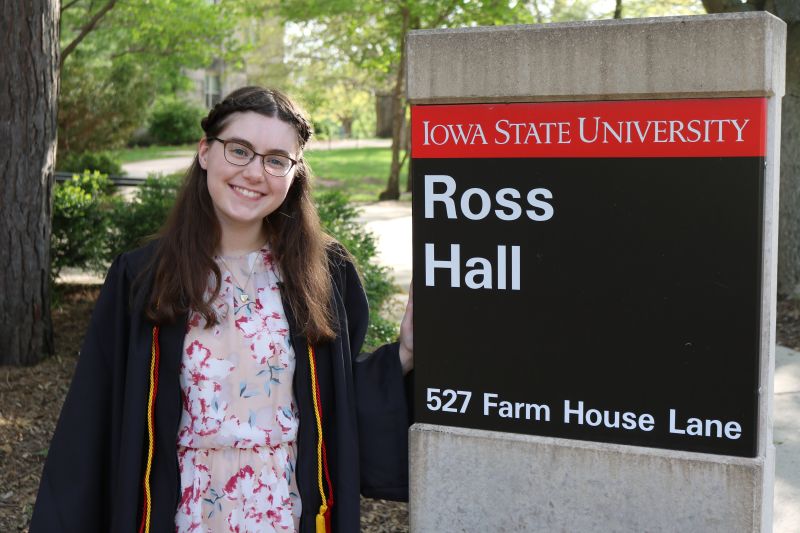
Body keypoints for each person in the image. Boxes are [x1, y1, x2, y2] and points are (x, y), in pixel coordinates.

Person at [31, 86, 414, 533]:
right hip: (182, 512)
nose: (255, 172)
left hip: (285, 511)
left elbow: (336, 402)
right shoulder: (144, 277)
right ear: (205, 152)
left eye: (276, 159)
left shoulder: (324, 273)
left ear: (294, 173)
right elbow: (93, 416)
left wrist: (403, 356)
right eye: (239, 151)